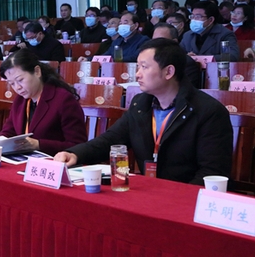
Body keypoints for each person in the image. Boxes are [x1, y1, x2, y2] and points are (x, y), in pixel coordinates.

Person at [54, 39, 232, 185]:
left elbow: (211, 173)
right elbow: (111, 139)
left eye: (144, 67)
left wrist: (175, 199)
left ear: (169, 71)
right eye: (137, 67)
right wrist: (75, 154)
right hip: (150, 190)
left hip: (185, 198)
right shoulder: (141, 104)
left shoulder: (208, 111)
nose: (137, 74)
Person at [0, 50, 87, 156]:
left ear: (37, 71)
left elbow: (78, 145)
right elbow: (8, 133)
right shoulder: (20, 100)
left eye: (20, 80)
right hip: (25, 159)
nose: (17, 87)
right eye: (12, 84)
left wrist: (39, 144)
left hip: (55, 161)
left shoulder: (63, 99)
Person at [152, 23, 201, 89]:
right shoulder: (151, 61)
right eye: (154, 40)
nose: (155, 44)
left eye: (161, 40)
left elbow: (187, 90)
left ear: (174, 42)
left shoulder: (186, 63)